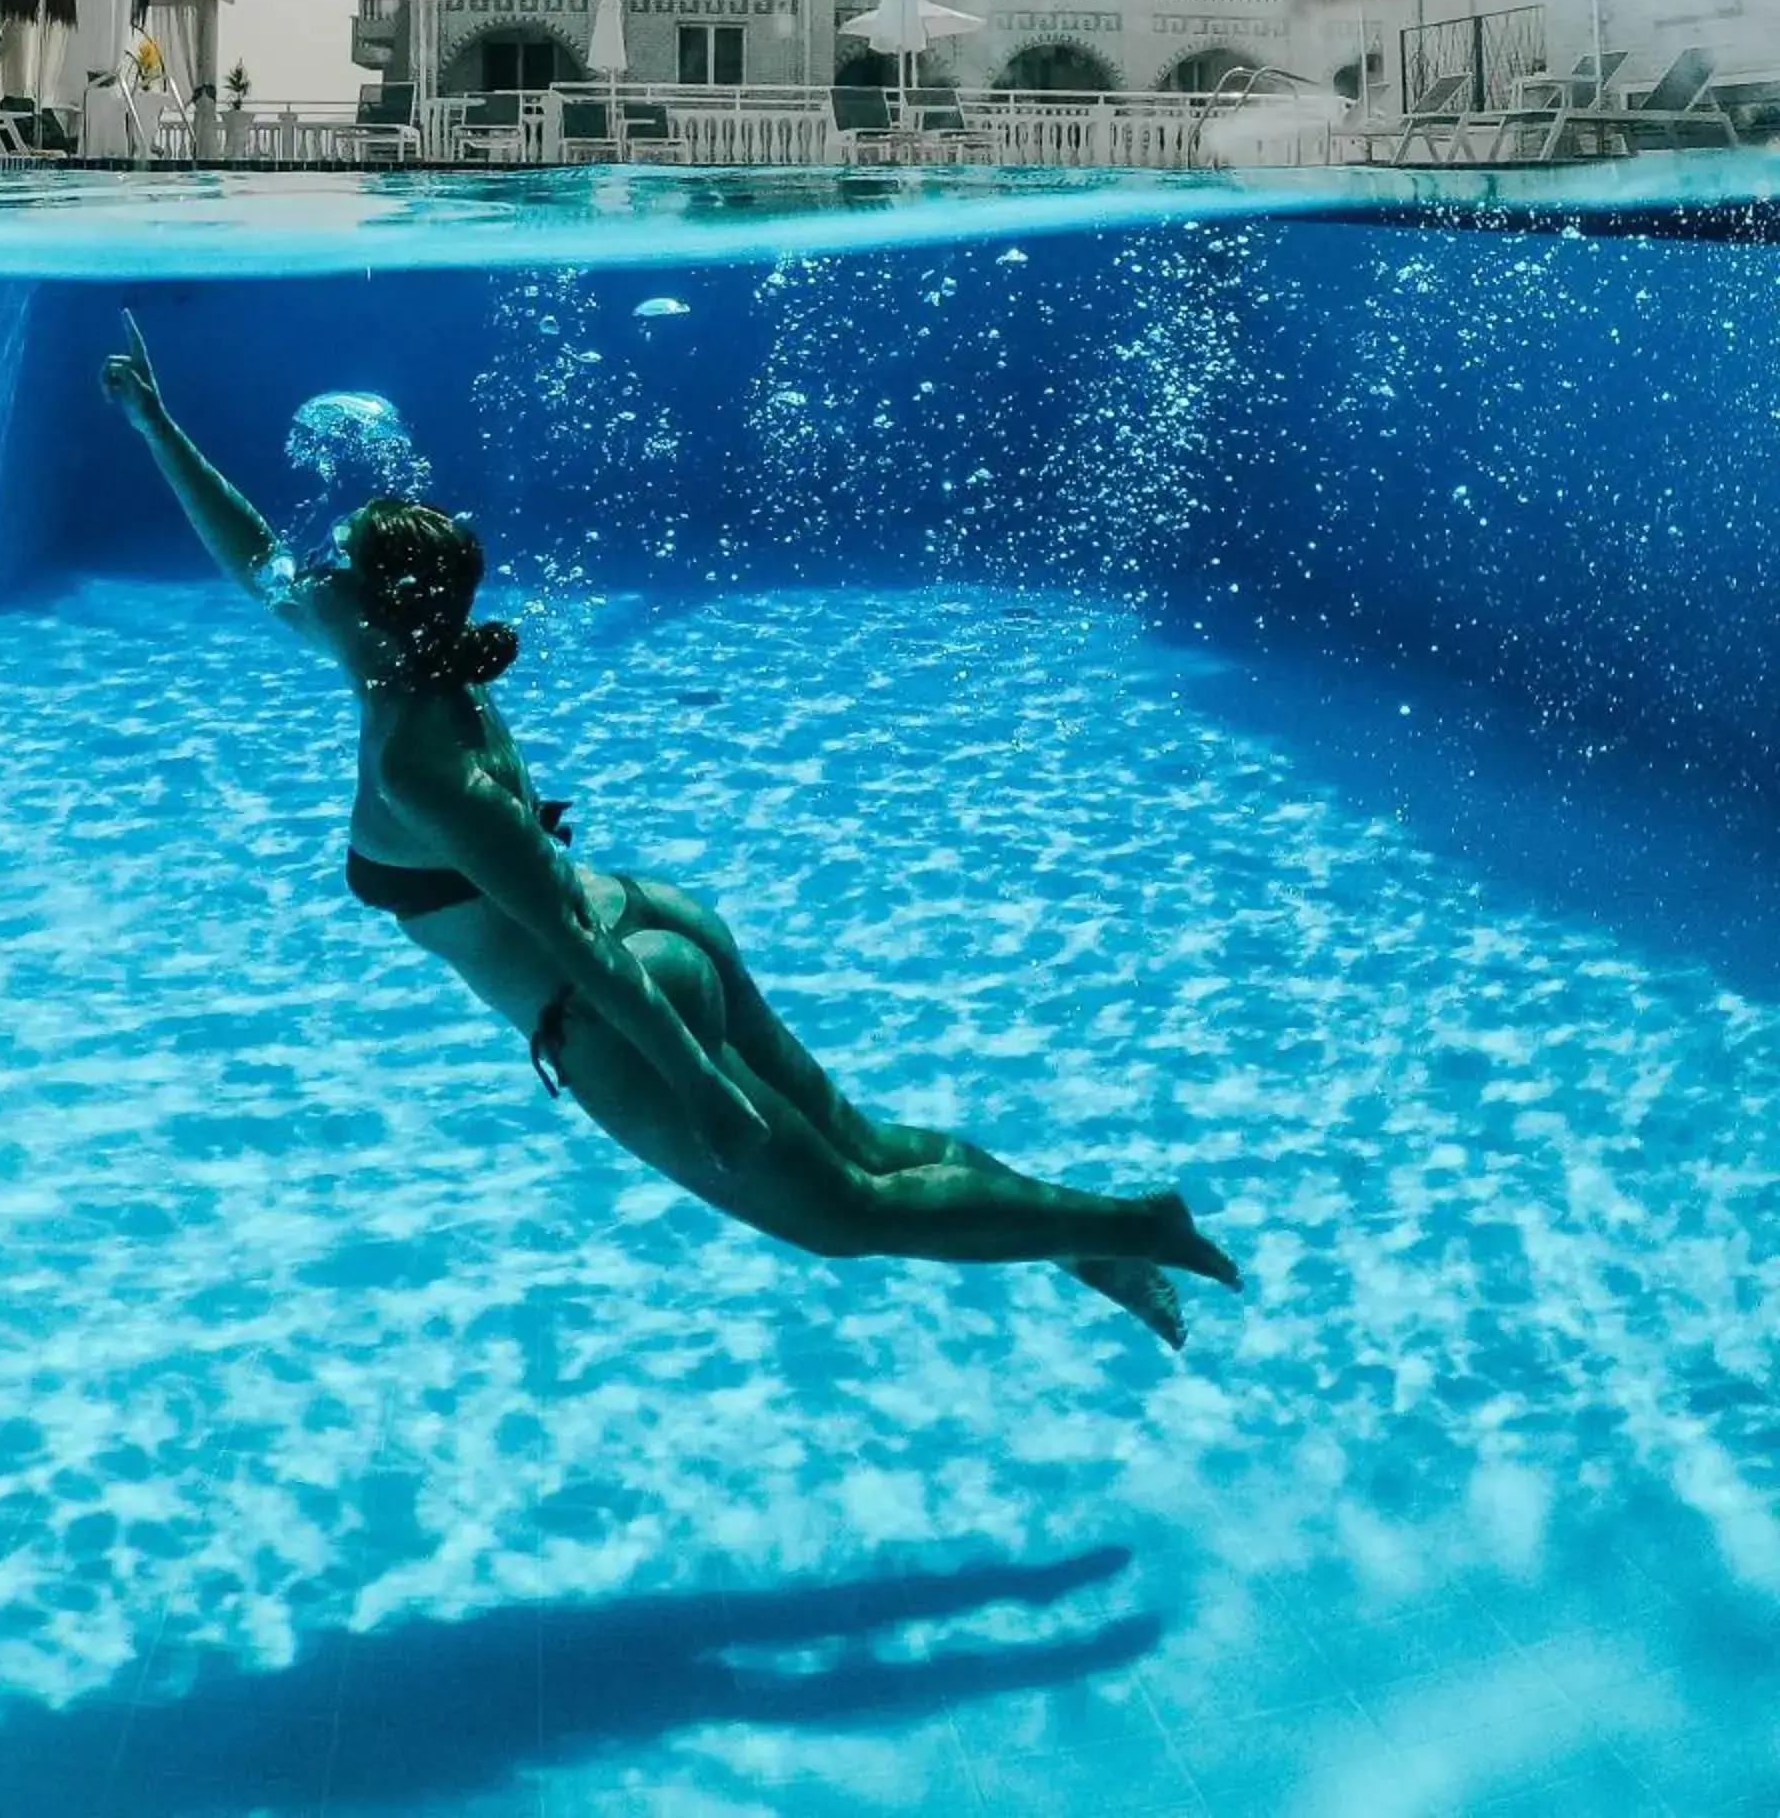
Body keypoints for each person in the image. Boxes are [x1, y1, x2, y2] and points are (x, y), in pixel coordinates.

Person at [102, 315, 1241, 1349]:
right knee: (871, 1144)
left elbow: (563, 938)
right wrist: (157, 422)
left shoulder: (419, 764)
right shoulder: (407, 666)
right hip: (649, 915)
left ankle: (1133, 1221)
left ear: (379, 608)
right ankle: (1081, 1234)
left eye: (342, 566)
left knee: (849, 1213)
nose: (318, 573)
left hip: (610, 996)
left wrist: (694, 1085)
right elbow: (255, 558)